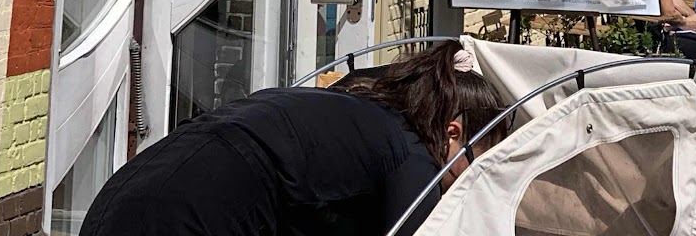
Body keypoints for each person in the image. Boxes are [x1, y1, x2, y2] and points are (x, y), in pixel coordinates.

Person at [78, 41, 506, 236]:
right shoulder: (410, 159)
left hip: (130, 189)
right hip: (192, 214)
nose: (475, 180)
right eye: (482, 160)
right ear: (453, 133)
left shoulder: (355, 108)